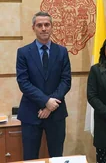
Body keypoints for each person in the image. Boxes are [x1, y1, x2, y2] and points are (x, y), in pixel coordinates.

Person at [16, 11, 71, 160]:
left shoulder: (62, 52)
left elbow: (66, 81)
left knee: (57, 156)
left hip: (56, 113)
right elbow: (23, 82)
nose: (44, 28)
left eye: (47, 24)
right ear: (33, 28)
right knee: (30, 157)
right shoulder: (23, 53)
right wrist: (46, 102)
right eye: (39, 25)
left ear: (52, 27)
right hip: (31, 113)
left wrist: (50, 105)